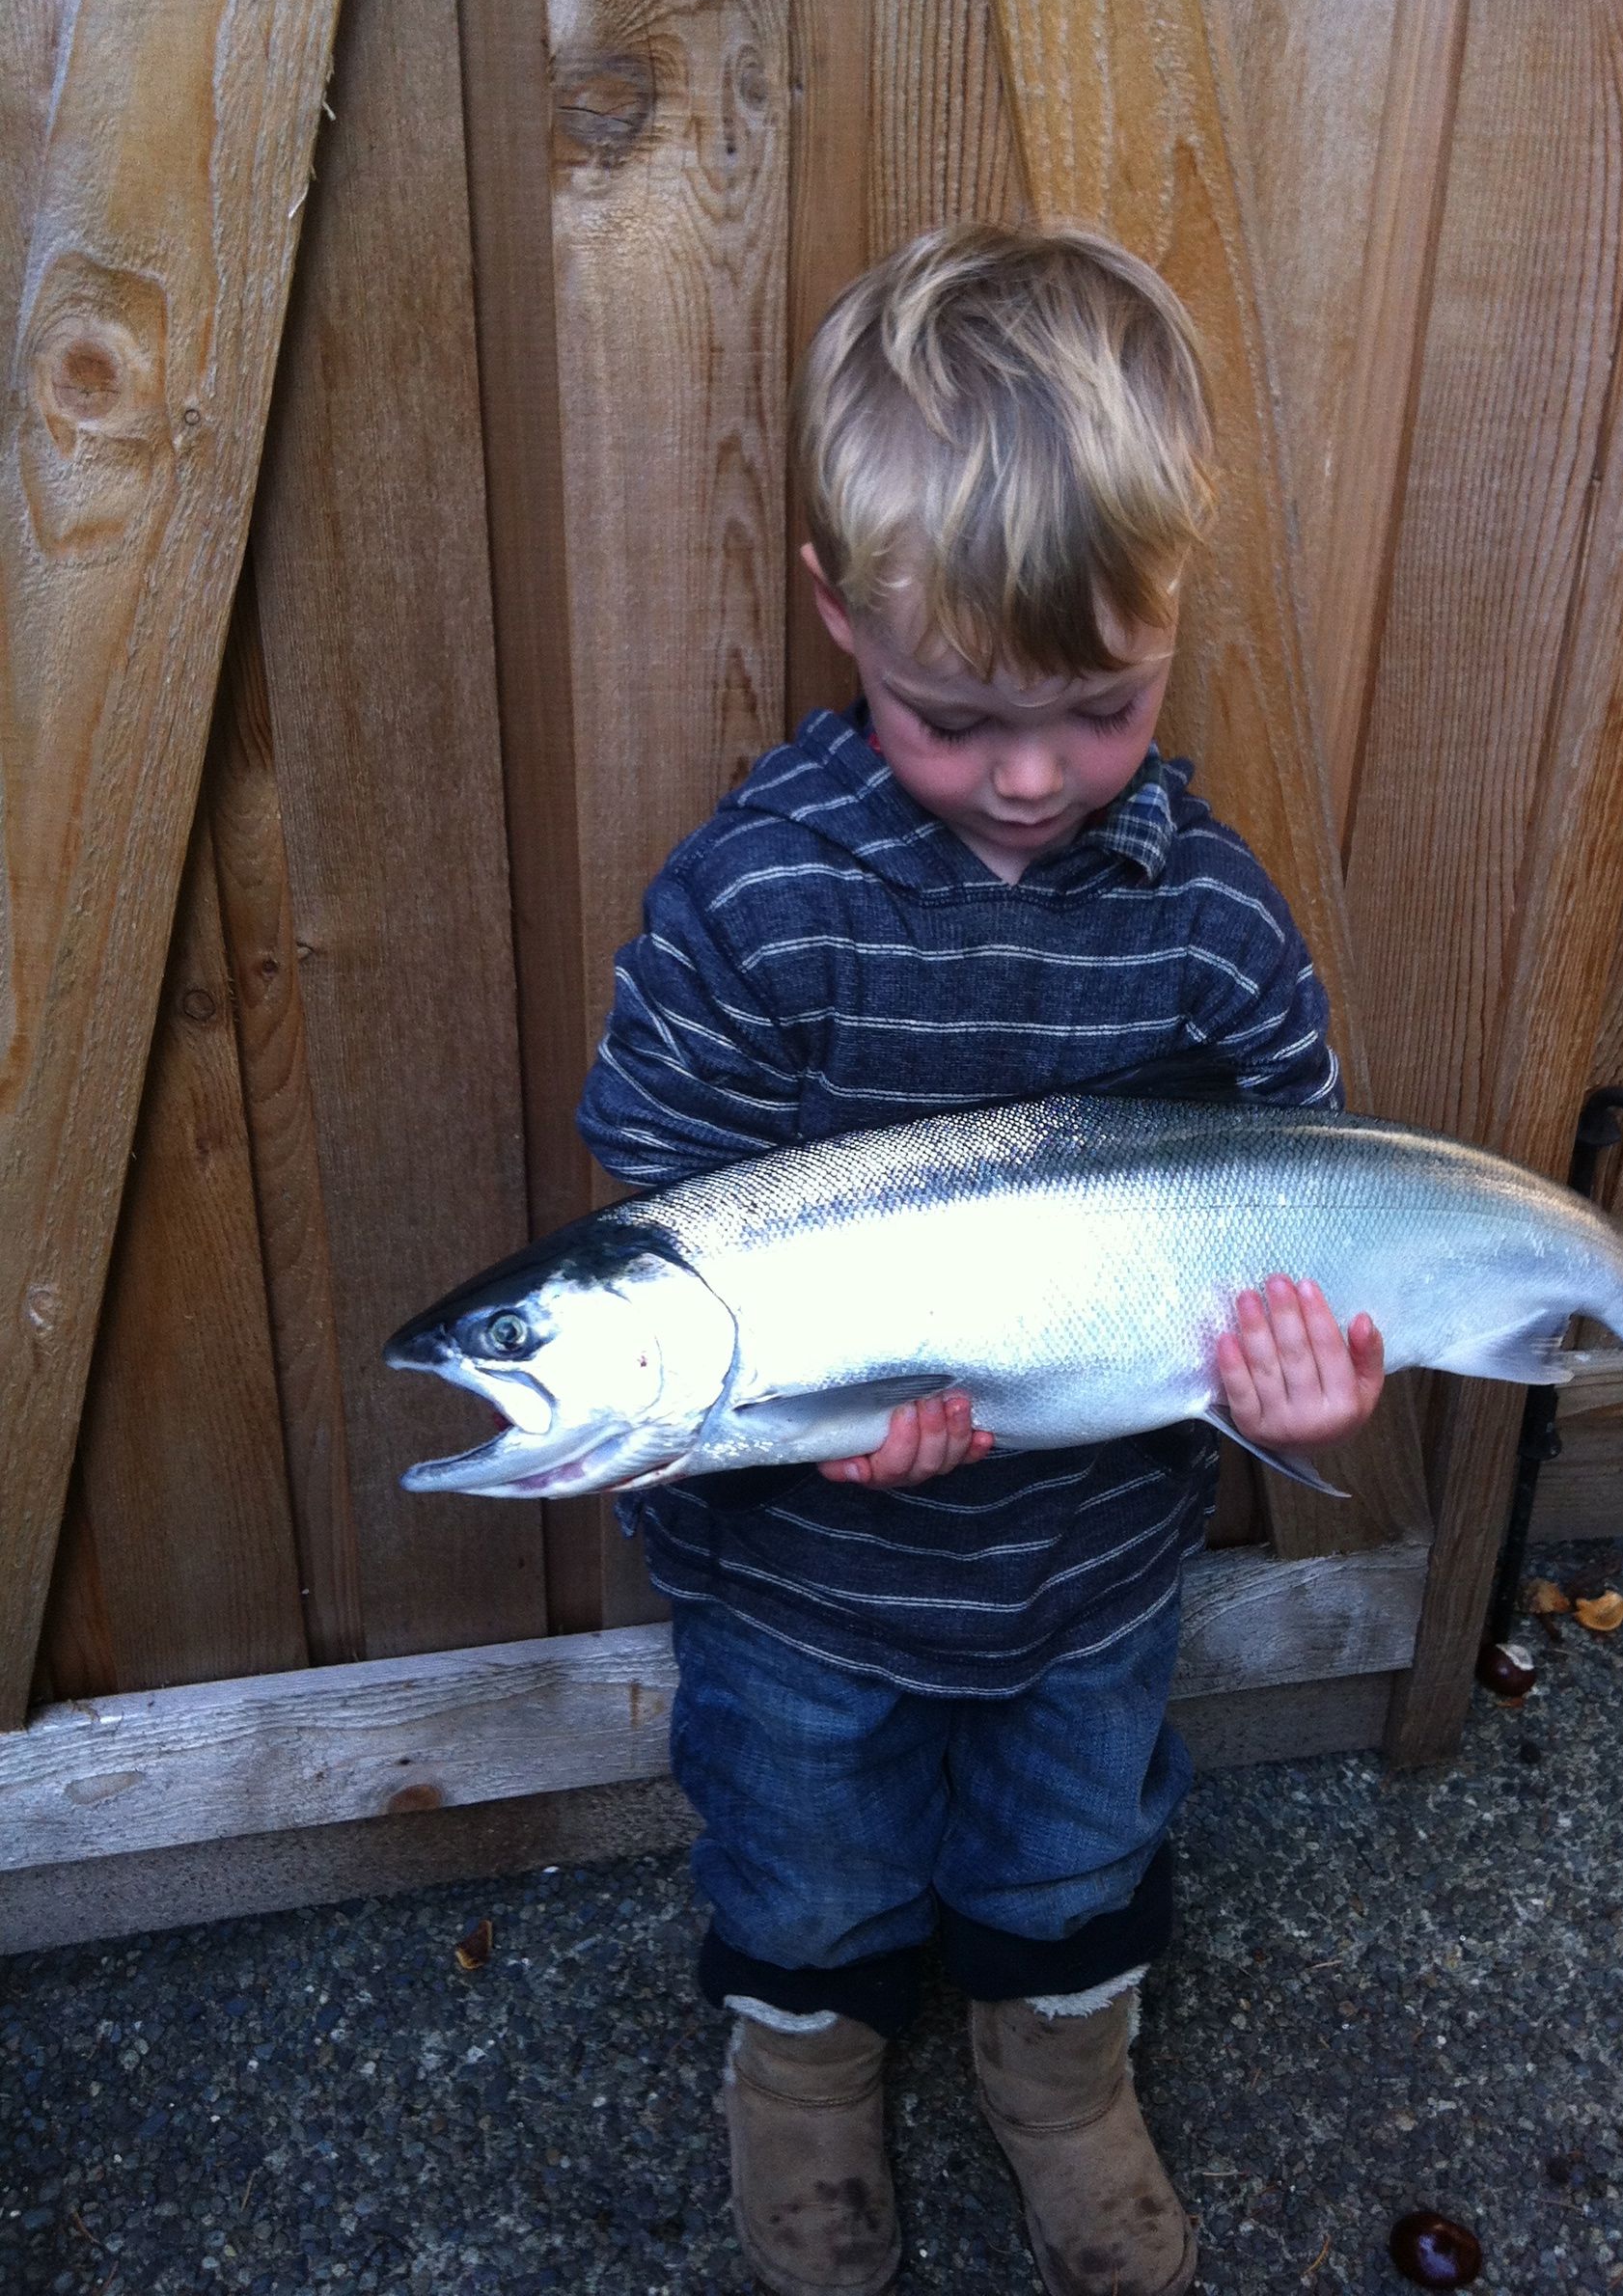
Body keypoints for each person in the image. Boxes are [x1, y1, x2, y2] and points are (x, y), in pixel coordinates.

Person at [577, 224, 1386, 2296]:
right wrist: (800, 1433)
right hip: (804, 1580)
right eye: (949, 719)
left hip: (1090, 1567)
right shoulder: (753, 905)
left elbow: (1303, 1194)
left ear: (1168, 627)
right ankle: (803, 2086)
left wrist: (1303, 1380)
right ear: (839, 617)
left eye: (1098, 709)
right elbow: (661, 1194)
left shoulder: (1212, 921)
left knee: (1072, 1841)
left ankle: (1061, 2081)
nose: (1026, 777)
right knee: (803, 1853)